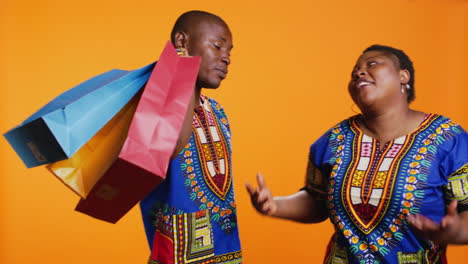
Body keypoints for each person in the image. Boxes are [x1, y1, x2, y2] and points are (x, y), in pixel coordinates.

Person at [246, 44, 468, 263]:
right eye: (354, 72)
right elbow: (316, 200)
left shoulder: (448, 139)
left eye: (372, 64)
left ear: (403, 76)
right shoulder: (332, 141)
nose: (359, 72)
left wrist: (456, 232)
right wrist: (275, 206)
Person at [140, 11, 242, 263]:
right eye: (217, 46)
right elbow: (170, 147)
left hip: (227, 250)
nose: (226, 58)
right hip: (176, 254)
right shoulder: (152, 102)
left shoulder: (216, 110)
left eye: (229, 51)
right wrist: (181, 71)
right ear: (182, 41)